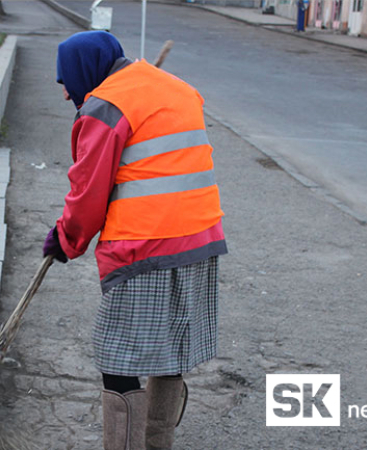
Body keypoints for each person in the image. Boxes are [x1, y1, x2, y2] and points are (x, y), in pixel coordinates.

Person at [43, 31, 228, 450]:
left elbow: (88, 192)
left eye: (64, 82)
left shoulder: (106, 106)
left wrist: (65, 239)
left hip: (145, 249)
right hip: (200, 241)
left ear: (82, 71)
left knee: (117, 360)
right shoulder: (175, 87)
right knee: (170, 352)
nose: (65, 93)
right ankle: (155, 443)